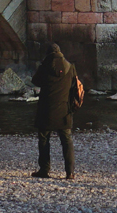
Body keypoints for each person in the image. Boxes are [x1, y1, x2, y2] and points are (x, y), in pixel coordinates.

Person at [31, 44, 85, 180]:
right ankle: (70, 172)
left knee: (44, 139)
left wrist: (42, 66)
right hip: (64, 110)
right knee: (66, 140)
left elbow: (35, 81)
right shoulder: (70, 67)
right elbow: (74, 85)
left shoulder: (45, 67)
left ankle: (44, 170)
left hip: (46, 109)